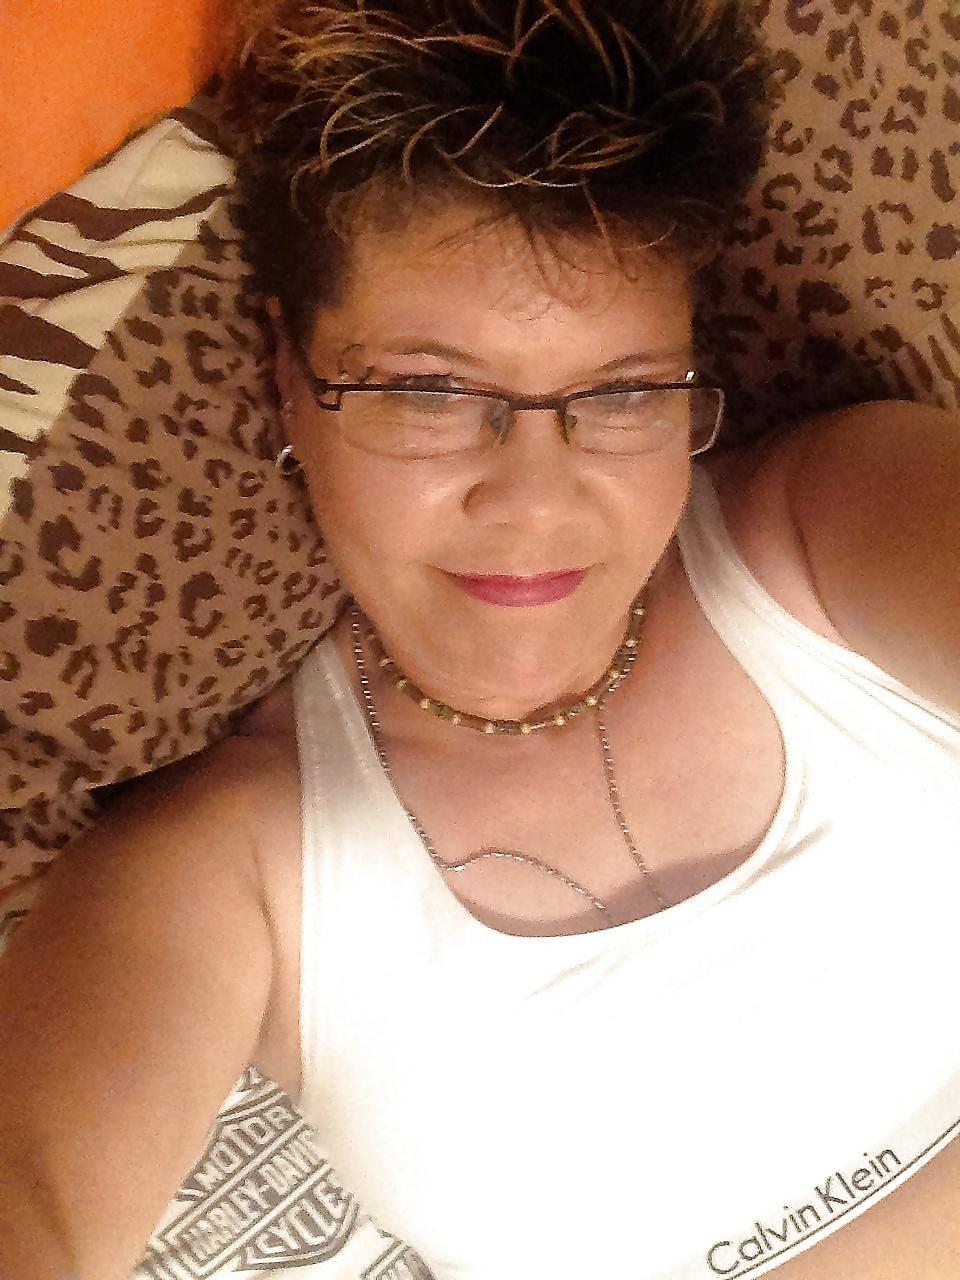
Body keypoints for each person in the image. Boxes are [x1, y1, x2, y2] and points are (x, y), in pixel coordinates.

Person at [1, 2, 959, 1278]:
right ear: (288, 372)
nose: (534, 502)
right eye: (430, 391)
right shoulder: (238, 863)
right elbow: (36, 1189)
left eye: (623, 391)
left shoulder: (832, 532)